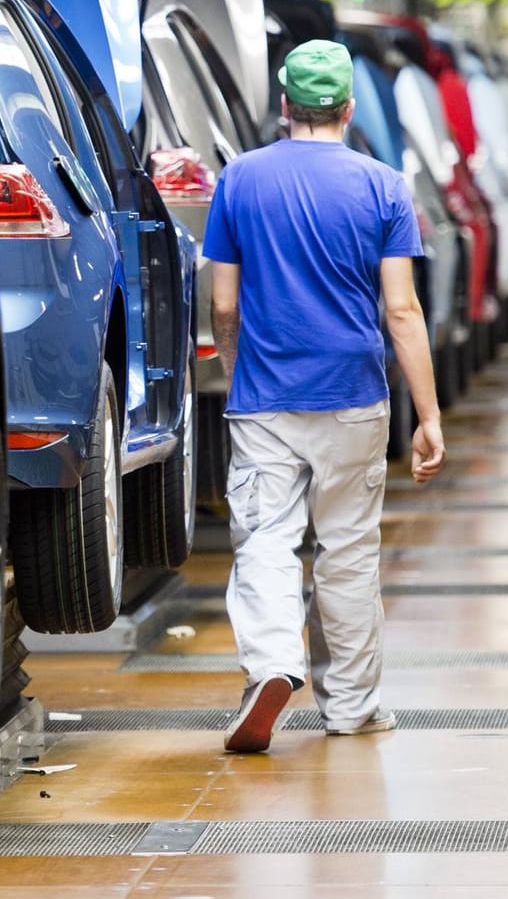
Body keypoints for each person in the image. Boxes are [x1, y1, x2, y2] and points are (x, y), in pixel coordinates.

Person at [204, 40, 447, 754]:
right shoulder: (384, 186)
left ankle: (275, 663)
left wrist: (236, 366)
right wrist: (428, 417)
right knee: (346, 550)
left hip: (265, 397)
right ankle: (353, 706)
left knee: (267, 540)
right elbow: (401, 311)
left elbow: (224, 305)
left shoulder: (239, 180)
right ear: (346, 108)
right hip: (353, 393)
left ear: (285, 105)